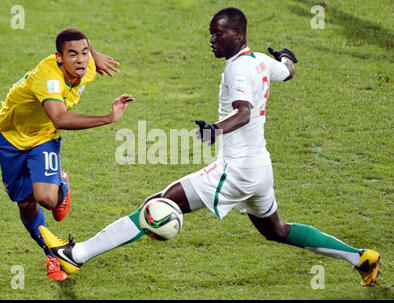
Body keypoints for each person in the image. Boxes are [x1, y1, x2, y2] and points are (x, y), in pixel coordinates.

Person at [39, 9, 380, 286]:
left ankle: (76, 255)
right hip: (259, 168)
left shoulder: (240, 70)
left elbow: (243, 113)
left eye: (219, 34)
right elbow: (287, 71)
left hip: (235, 169)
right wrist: (288, 58)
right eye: (211, 34)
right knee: (276, 230)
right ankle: (360, 257)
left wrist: (216, 129)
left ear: (238, 35)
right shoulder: (261, 60)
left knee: (155, 205)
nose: (212, 40)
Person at [0, 28, 134, 281]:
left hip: (45, 137)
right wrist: (107, 118)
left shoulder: (88, 66)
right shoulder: (47, 78)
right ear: (59, 57)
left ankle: (61, 186)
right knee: (26, 204)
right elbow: (59, 117)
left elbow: (79, 41)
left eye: (84, 53)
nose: (81, 60)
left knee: (47, 199)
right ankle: (51, 253)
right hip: (10, 139)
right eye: (73, 55)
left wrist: (94, 53)